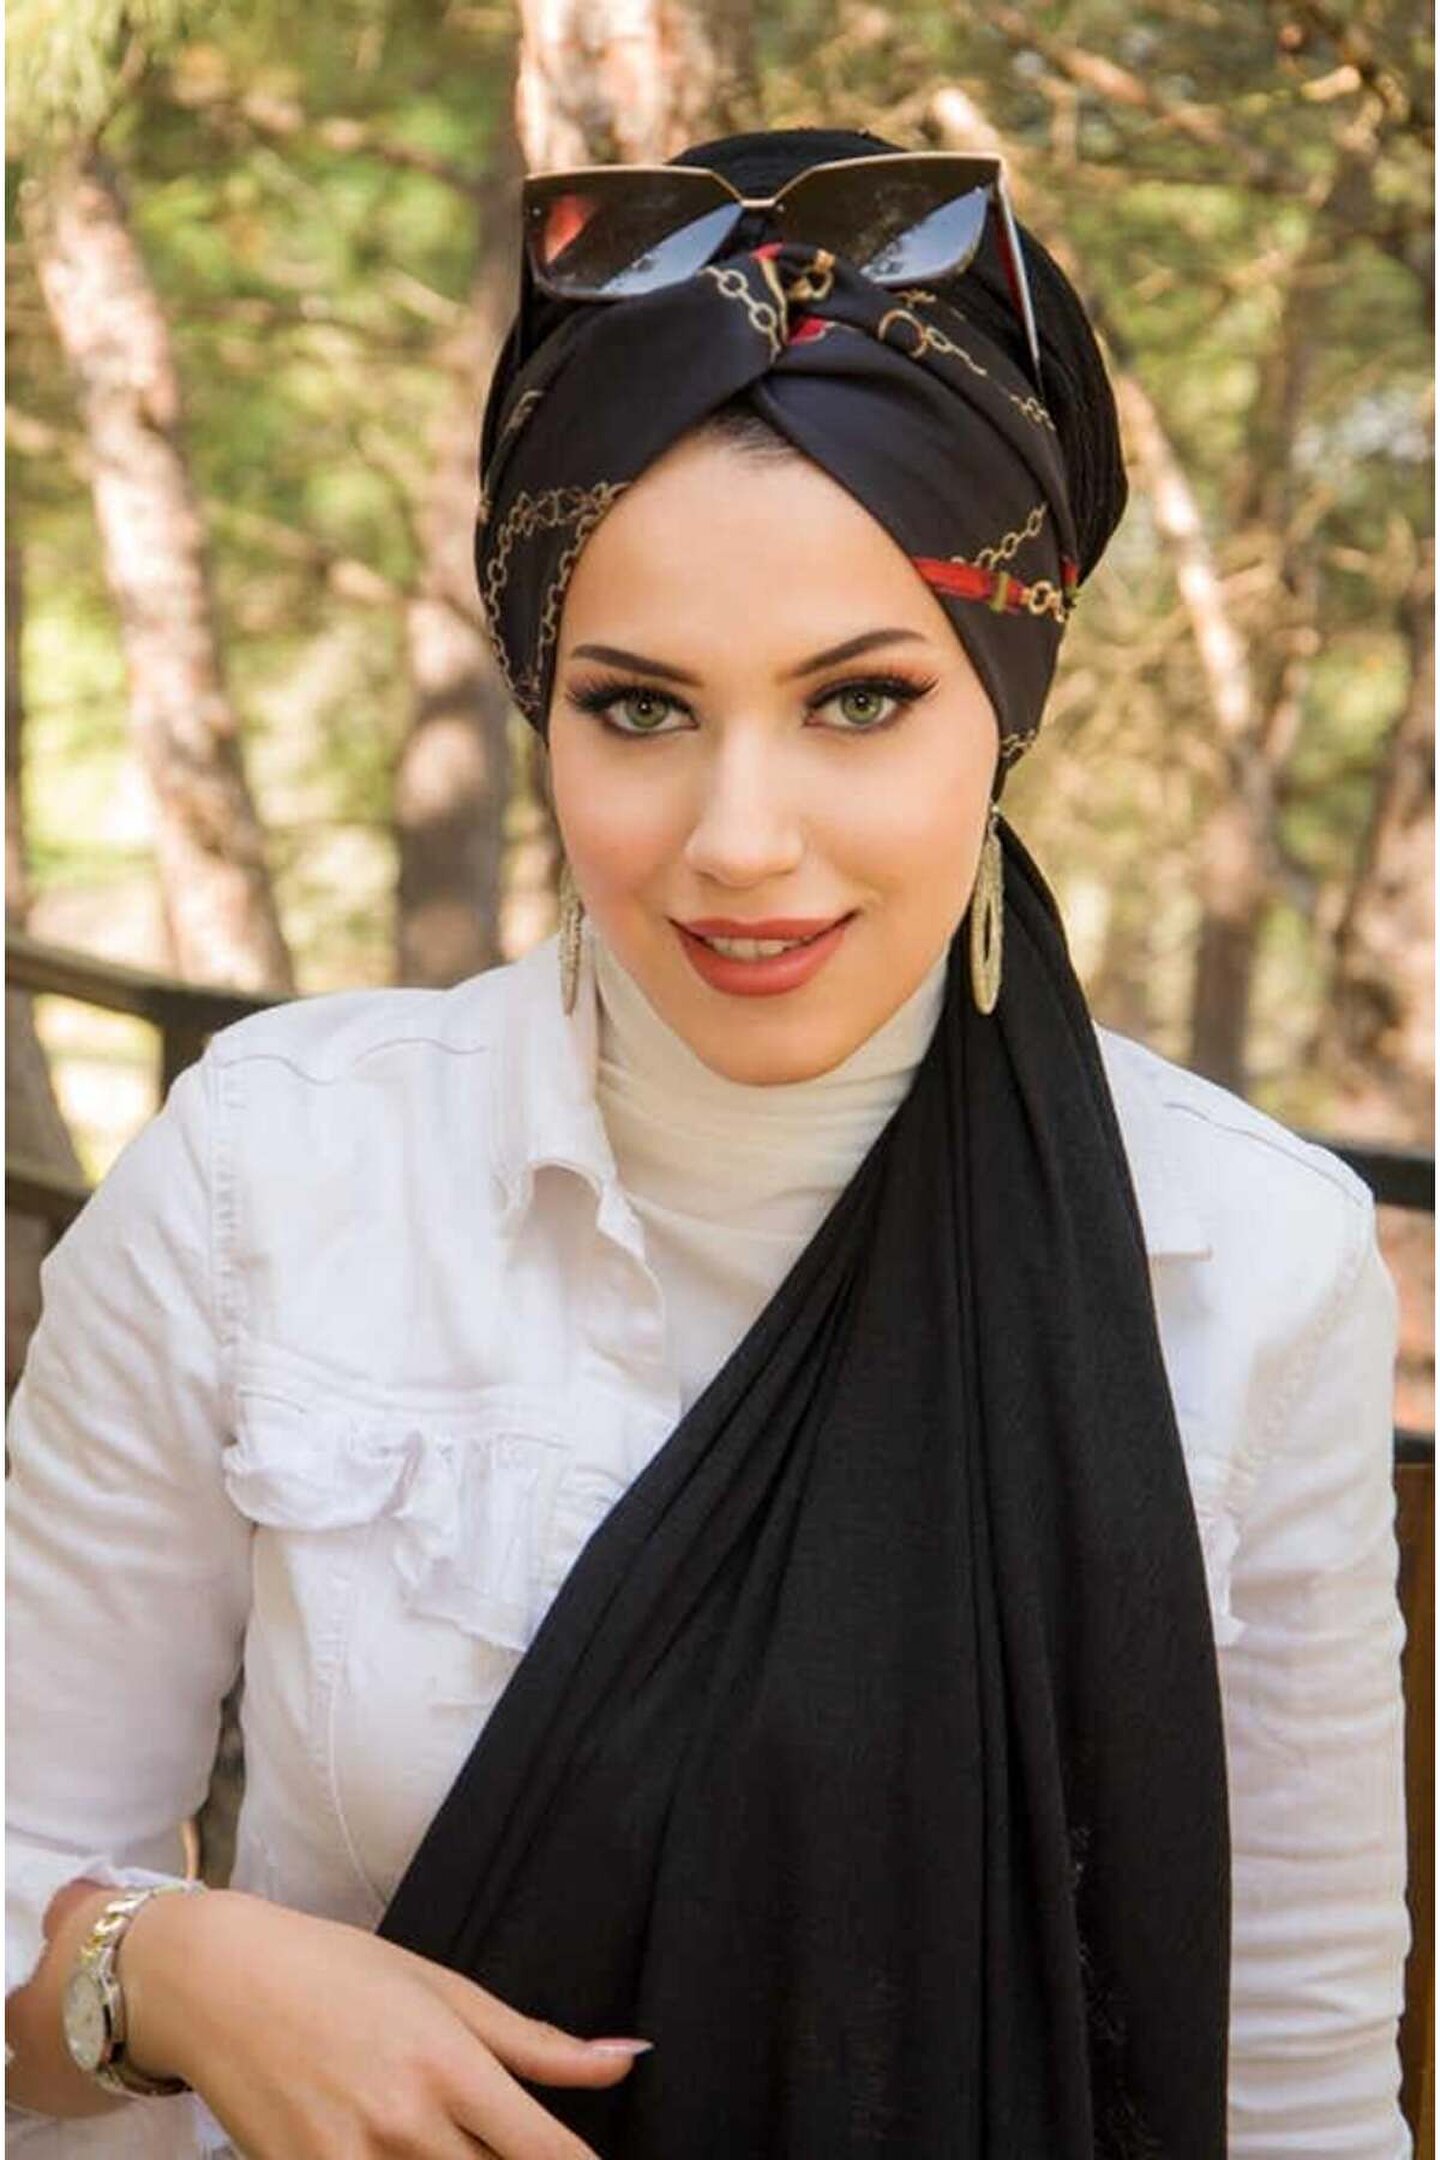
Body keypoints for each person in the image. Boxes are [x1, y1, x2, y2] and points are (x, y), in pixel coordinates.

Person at [5, 124, 1410, 2160]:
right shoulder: (266, 1183)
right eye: (640, 710)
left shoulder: (1249, 1257)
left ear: (1004, 703)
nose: (743, 841)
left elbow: (1286, 2090)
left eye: (861, 702)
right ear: (541, 709)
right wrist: (174, 1975)